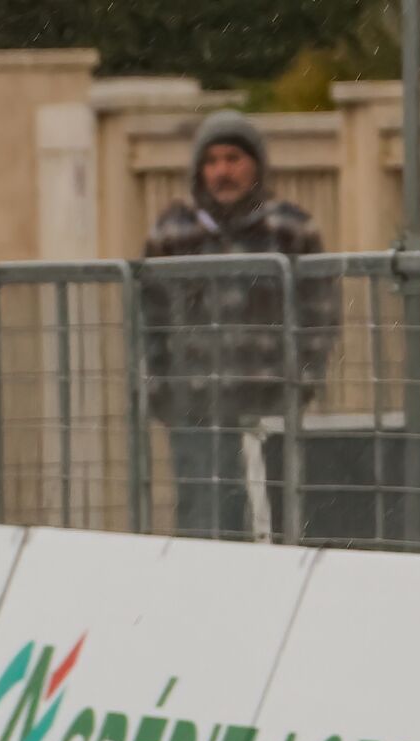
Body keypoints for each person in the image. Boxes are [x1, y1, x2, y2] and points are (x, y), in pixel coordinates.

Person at [141, 110, 332, 541]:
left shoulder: (291, 229)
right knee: (205, 524)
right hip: (197, 410)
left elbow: (319, 314)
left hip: (272, 407)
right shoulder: (172, 231)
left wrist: (302, 383)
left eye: (233, 158)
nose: (222, 171)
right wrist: (160, 392)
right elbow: (150, 319)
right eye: (211, 161)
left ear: (256, 165)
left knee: (281, 519)